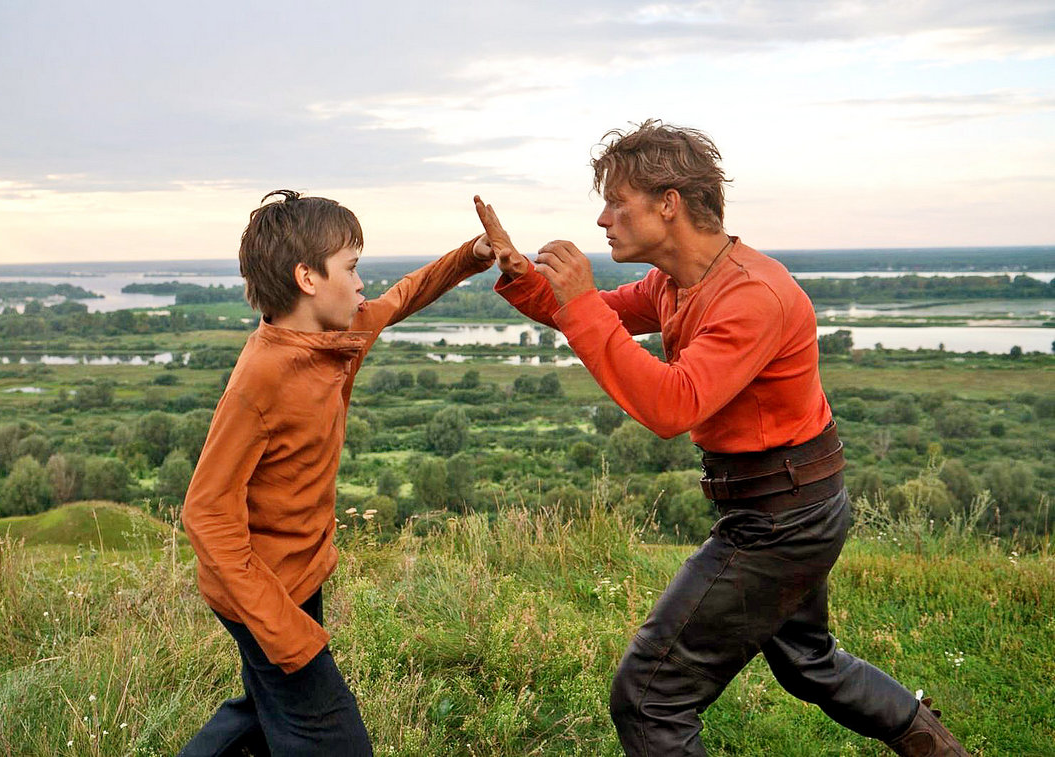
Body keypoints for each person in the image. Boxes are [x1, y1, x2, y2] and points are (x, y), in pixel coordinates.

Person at [475, 121, 969, 756]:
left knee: (650, 695)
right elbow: (588, 312)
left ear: (669, 204)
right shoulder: (677, 281)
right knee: (808, 662)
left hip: (781, 519)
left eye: (617, 203)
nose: (602, 219)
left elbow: (670, 405)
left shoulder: (753, 295)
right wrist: (523, 274)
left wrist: (580, 300)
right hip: (789, 501)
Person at [179, 190, 494, 756]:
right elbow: (206, 512)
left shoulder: (333, 338)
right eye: (350, 267)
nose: (360, 282)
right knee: (331, 737)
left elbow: (404, 296)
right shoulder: (262, 377)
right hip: (260, 591)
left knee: (264, 715)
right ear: (307, 278)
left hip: (298, 576)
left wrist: (471, 255)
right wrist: (283, 629)